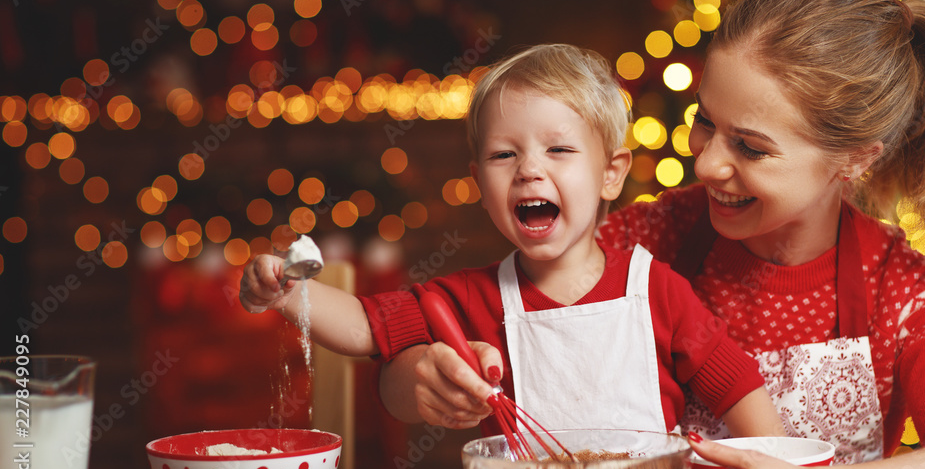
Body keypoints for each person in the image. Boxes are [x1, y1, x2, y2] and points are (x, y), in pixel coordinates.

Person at [381, 0, 925, 469]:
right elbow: (459, 328)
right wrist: (419, 382)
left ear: (854, 159)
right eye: (705, 122)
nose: (705, 164)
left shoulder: (904, 287)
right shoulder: (639, 242)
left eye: (751, 148)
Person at [240, 43, 786, 441]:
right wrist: (286, 292)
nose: (528, 169)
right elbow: (363, 326)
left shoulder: (655, 290)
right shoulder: (470, 299)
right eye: (504, 155)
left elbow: (738, 390)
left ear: (611, 174)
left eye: (559, 151)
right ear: (479, 183)